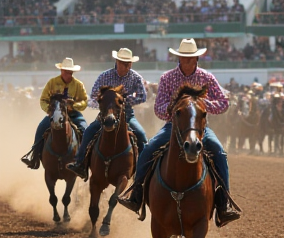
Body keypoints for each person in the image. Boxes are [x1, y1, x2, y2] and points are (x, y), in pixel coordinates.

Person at [118, 38, 241, 227]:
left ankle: (223, 204)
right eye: (184, 57)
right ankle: (136, 195)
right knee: (149, 148)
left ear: (197, 59)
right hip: (173, 127)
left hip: (200, 129)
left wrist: (200, 106)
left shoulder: (206, 77)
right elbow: (158, 107)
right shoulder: (167, 78)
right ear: (179, 58)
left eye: (191, 58)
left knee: (219, 152)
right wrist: (176, 108)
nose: (188, 61)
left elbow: (224, 102)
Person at [66, 48, 148, 179]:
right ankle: (80, 163)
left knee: (142, 135)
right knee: (88, 132)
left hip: (126, 115)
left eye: (128, 63)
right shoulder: (105, 76)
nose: (126, 66)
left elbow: (143, 96)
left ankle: (143, 171)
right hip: (104, 115)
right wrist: (102, 102)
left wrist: (123, 101)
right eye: (123, 62)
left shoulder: (136, 77)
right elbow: (93, 95)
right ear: (117, 61)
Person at [21, 57, 88, 169]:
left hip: (73, 114)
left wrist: (73, 106)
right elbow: (43, 100)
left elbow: (84, 101)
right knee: (41, 128)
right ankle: (34, 157)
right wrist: (49, 110)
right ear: (61, 71)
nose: (69, 75)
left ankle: (84, 161)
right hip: (55, 114)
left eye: (71, 72)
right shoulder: (52, 83)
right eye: (67, 72)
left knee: (84, 129)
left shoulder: (78, 85)